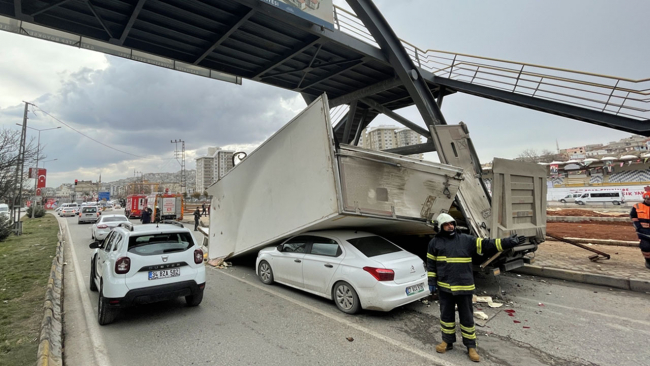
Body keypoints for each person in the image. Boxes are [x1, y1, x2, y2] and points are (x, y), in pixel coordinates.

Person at [427, 213, 525, 363]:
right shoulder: (434, 243)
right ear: (440, 227)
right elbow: (431, 264)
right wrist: (432, 281)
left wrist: (507, 243)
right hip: (445, 288)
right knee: (446, 318)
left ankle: (471, 347)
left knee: (467, 318)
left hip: (464, 287)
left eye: (452, 223)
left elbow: (487, 244)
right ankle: (447, 342)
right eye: (446, 224)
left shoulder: (466, 240)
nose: (451, 226)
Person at [630, 192, 650, 270]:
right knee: (645, 247)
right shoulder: (637, 206)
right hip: (643, 231)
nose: (649, 200)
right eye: (647, 199)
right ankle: (648, 261)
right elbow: (633, 217)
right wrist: (638, 227)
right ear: (644, 198)